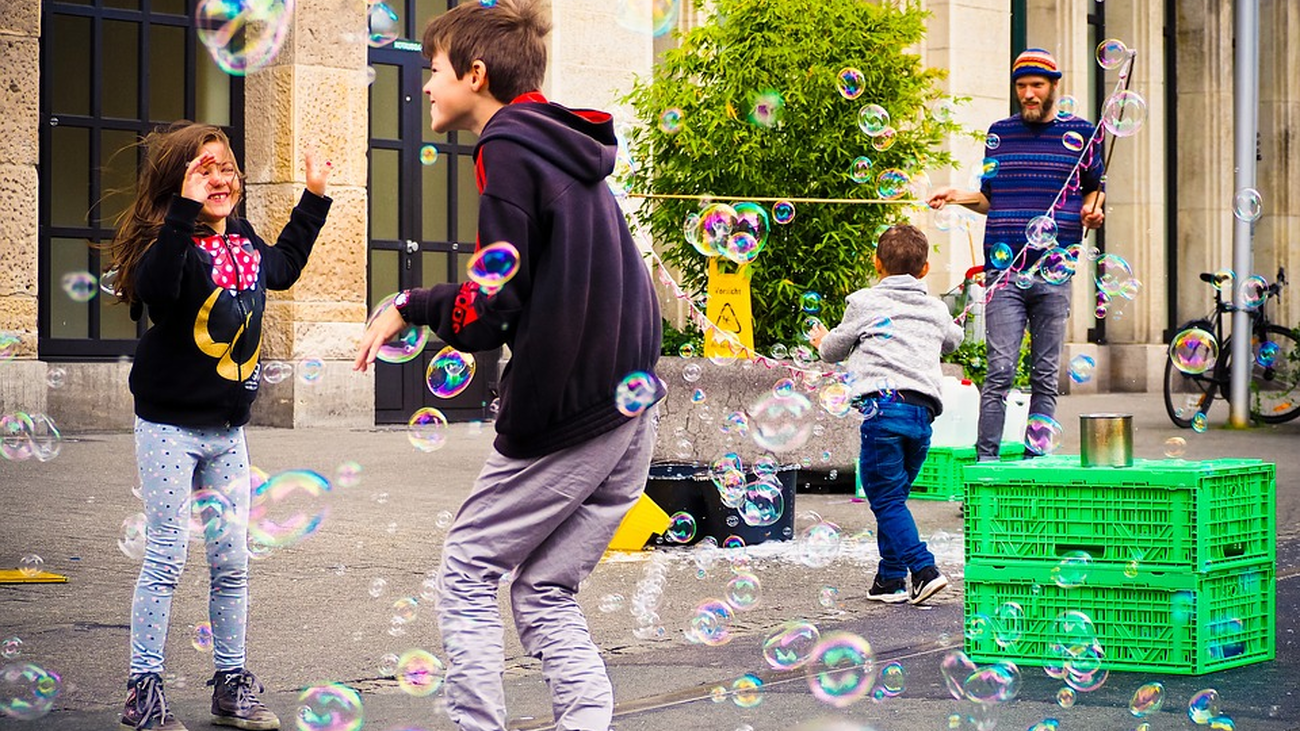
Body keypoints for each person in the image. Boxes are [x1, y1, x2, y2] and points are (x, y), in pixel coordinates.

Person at [352, 2, 663, 729]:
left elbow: (493, 306)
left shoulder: (509, 147)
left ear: (476, 74)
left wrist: (414, 302)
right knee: (544, 591)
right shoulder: (562, 145)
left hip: (573, 411)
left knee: (467, 566)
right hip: (628, 405)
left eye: (433, 70)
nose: (426, 86)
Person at [103, 121, 332, 731]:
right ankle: (143, 689)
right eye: (203, 168)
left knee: (233, 559)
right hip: (169, 427)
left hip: (228, 430)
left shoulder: (244, 240)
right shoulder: (169, 242)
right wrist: (183, 211)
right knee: (167, 555)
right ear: (179, 183)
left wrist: (313, 198)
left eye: (226, 166)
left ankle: (231, 683)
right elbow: (158, 291)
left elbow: (282, 268)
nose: (220, 177)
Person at [927, 48, 1105, 461]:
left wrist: (1093, 209)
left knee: (1045, 375)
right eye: (1021, 86)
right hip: (1004, 272)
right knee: (999, 372)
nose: (1028, 93)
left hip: (1055, 269)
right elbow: (991, 199)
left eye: (1036, 85)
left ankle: (1033, 468)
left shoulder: (1082, 133)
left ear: (1053, 87)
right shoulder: (1000, 133)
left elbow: (1094, 188)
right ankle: (985, 469)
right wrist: (957, 196)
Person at [809, 225, 965, 605]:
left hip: (883, 412)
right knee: (894, 497)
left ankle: (924, 570)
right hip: (921, 415)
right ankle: (890, 579)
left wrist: (819, 339)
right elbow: (954, 341)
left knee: (886, 499)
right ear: (925, 270)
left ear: (877, 264)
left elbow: (832, 350)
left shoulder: (865, 302)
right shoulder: (935, 308)